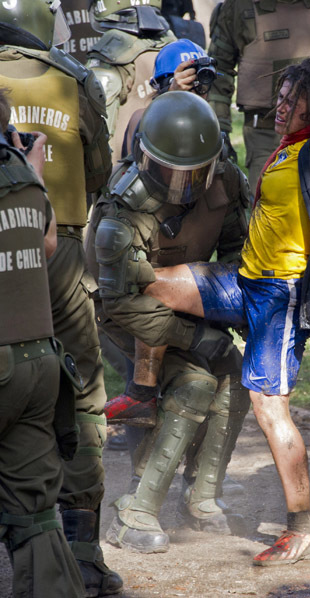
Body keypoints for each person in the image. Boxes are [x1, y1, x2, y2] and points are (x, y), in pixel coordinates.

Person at [117, 56, 310, 565]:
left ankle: (304, 530)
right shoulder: (287, 148)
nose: (280, 106)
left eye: (292, 98)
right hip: (243, 279)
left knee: (271, 409)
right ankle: (142, 391)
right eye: (280, 96)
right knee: (150, 282)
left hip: (279, 296)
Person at [85, 91, 251, 553]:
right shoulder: (123, 206)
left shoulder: (226, 183)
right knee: (195, 384)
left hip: (185, 301)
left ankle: (202, 498)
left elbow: (240, 257)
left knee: (237, 374)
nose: (183, 185)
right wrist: (196, 336)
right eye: (170, 172)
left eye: (194, 173)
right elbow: (119, 303)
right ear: (145, 159)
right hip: (119, 315)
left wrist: (219, 309)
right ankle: (133, 511)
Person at [0, 2, 121, 595]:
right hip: (60, 245)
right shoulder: (74, 77)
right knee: (81, 398)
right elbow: (99, 168)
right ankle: (83, 554)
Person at [0, 90, 86, 598]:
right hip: (38, 365)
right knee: (34, 516)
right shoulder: (23, 176)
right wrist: (30, 167)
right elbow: (46, 242)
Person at [206, 0, 310, 187]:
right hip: (266, 131)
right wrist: (220, 131)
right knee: (268, 198)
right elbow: (218, 72)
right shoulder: (238, 7)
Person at [85, 0, 176, 163]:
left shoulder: (112, 54)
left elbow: (98, 132)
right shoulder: (174, 45)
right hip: (173, 163)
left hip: (125, 174)